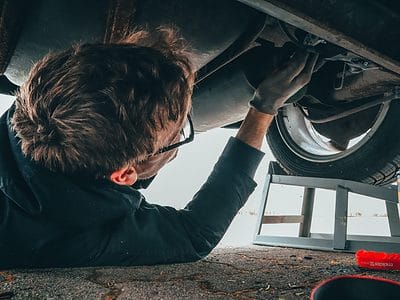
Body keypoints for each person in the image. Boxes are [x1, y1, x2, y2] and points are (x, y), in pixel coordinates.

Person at [0, 28, 318, 268]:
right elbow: (196, 234)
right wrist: (263, 109)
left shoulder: (42, 105)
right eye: (177, 135)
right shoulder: (79, 239)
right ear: (124, 174)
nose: (177, 139)